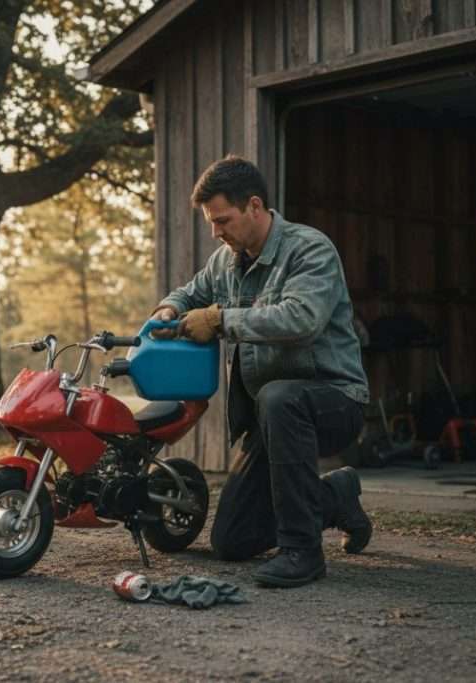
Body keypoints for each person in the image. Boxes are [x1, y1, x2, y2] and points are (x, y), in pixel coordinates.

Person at [150, 155, 371, 588]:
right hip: (273, 419)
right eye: (211, 223)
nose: (216, 232)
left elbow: (301, 318)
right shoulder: (224, 260)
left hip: (334, 401)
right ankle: (336, 496)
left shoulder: (309, 248)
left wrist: (219, 320)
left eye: (223, 220)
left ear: (255, 206)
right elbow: (191, 291)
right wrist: (170, 306)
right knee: (232, 541)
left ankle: (302, 553)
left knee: (278, 396)